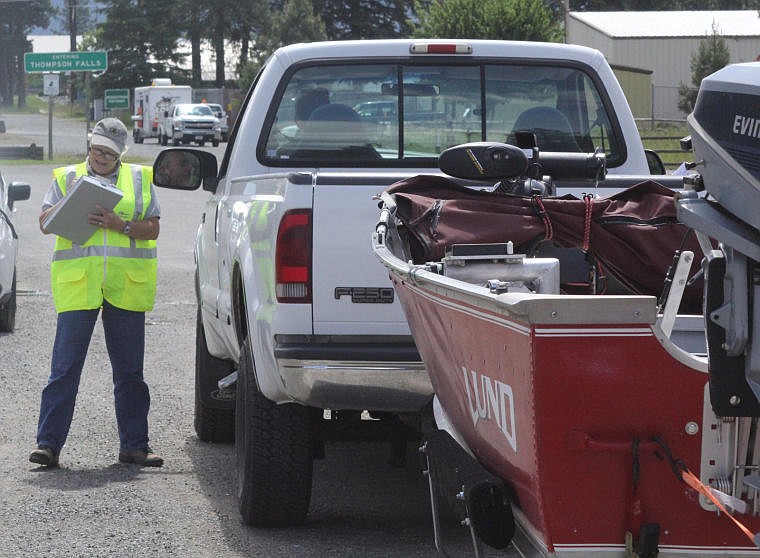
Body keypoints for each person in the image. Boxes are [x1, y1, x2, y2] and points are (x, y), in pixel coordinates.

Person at [30, 117, 163, 468]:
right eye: (97, 150)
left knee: (130, 371)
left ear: (120, 155)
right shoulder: (67, 177)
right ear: (90, 147)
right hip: (79, 286)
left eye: (109, 153)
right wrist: (71, 204)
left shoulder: (139, 179)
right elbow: (44, 223)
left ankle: (135, 446)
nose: (102, 158)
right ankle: (48, 445)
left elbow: (153, 229)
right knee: (64, 367)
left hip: (125, 287)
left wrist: (122, 226)